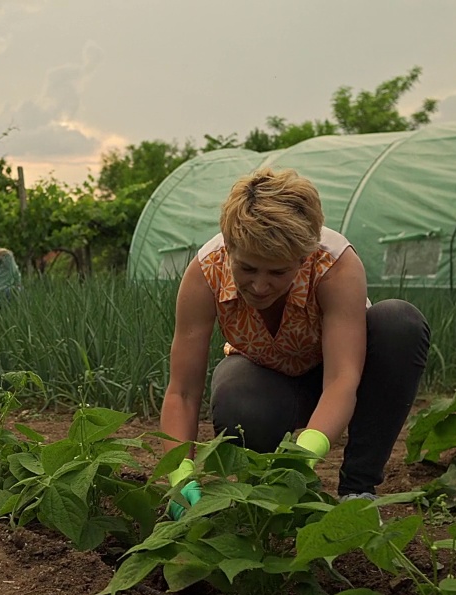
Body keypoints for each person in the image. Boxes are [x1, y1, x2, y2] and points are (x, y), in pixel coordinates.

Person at [160, 168, 429, 508]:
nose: (259, 286)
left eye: (278, 272)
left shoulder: (335, 265)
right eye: (247, 269)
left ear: (302, 259)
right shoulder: (205, 272)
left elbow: (342, 380)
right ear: (229, 247)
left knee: (399, 323)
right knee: (236, 395)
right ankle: (260, 493)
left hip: (338, 375)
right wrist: (179, 474)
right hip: (266, 379)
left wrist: (304, 456)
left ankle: (357, 491)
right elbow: (182, 391)